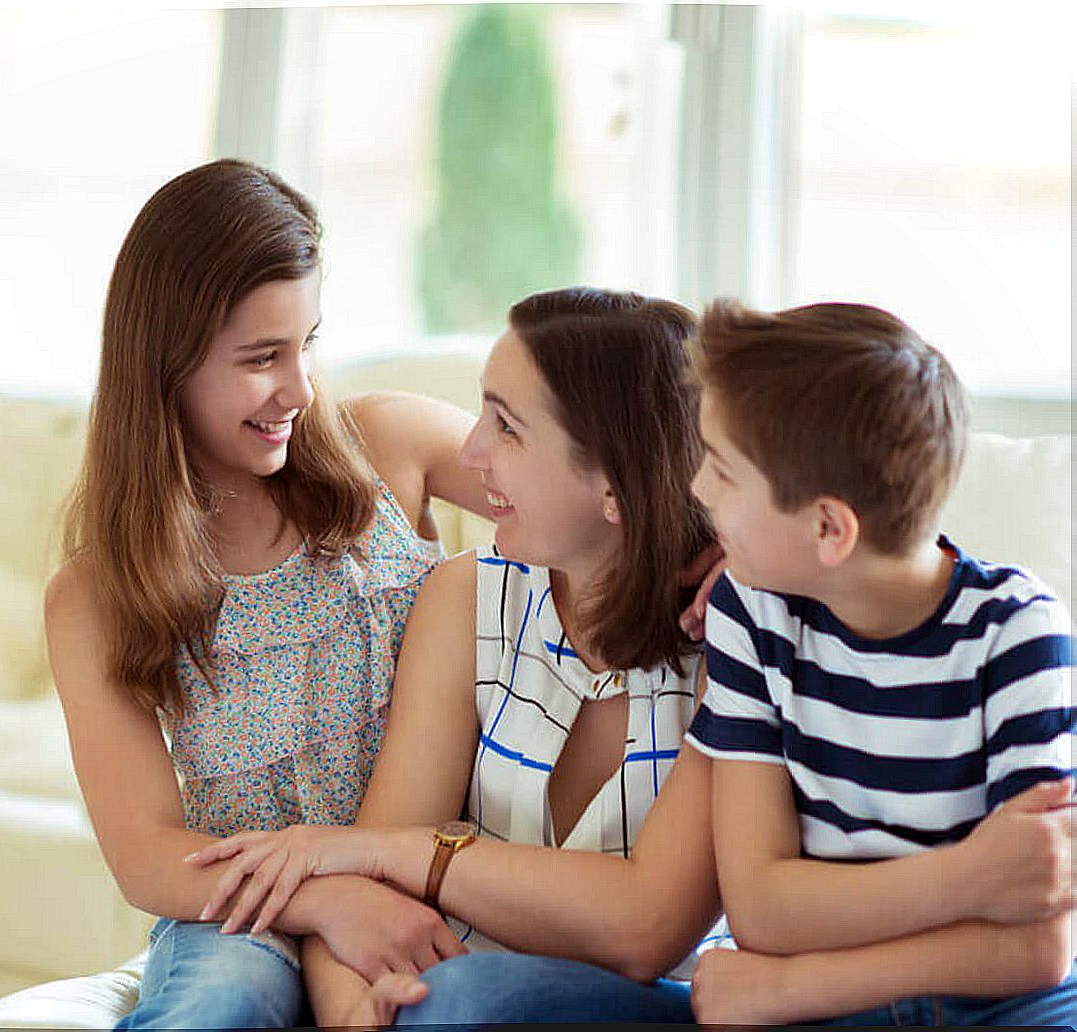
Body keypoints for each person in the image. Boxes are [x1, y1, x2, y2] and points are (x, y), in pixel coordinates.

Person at [189, 290, 1076, 1029]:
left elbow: (649, 926)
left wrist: (400, 853)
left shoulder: (743, 622)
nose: (469, 452)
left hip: (706, 995)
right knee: (449, 1002)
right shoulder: (475, 599)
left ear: (612, 484)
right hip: (509, 992)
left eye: (505, 425)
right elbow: (367, 873)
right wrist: (356, 1012)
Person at [43, 158, 497, 1030]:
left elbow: (560, 485)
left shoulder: (387, 446)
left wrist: (700, 550)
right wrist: (326, 900)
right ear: (165, 365)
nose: (298, 389)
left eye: (307, 344)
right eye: (261, 359)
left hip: (427, 867)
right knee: (222, 998)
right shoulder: (95, 595)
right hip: (247, 909)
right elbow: (145, 852)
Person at [683, 299, 1075, 1025]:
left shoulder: (1019, 633)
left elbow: (1040, 947)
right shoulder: (751, 608)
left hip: (1008, 1006)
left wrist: (791, 988)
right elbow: (762, 911)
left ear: (828, 528)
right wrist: (971, 879)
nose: (696, 490)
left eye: (722, 472)